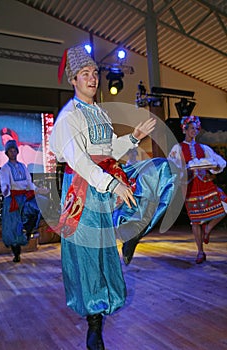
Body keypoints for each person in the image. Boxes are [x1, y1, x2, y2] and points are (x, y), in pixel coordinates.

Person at [49, 44, 178, 350]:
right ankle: (94, 325)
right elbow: (80, 161)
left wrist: (133, 137)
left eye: (94, 72)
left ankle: (134, 231)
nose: (92, 78)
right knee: (91, 255)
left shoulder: (98, 111)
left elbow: (107, 151)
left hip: (107, 175)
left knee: (161, 170)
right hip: (85, 186)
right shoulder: (69, 116)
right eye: (85, 73)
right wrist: (111, 184)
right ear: (73, 79)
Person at [168, 116, 227, 264]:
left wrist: (214, 167)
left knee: (225, 205)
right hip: (190, 186)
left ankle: (208, 229)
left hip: (206, 183)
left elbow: (217, 162)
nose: (194, 131)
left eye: (196, 128)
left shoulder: (203, 148)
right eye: (191, 128)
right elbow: (172, 166)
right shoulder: (178, 148)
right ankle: (200, 251)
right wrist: (184, 170)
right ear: (185, 129)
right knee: (196, 221)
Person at [0, 140, 49, 263]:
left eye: (14, 150)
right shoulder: (5, 168)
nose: (12, 153)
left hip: (24, 197)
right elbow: (5, 184)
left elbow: (29, 183)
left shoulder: (23, 166)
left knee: (36, 208)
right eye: (10, 151)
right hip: (12, 200)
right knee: (13, 227)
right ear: (7, 153)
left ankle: (28, 232)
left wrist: (38, 190)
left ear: (17, 151)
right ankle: (16, 254)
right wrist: (5, 190)